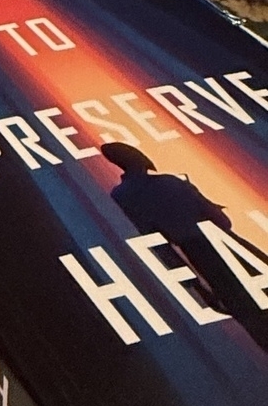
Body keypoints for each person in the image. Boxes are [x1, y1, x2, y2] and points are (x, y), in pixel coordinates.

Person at [101, 142, 268, 354]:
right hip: (227, 245)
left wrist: (195, 285)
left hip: (202, 258)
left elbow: (157, 242)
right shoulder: (171, 181)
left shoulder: (123, 195)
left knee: (250, 315)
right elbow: (222, 221)